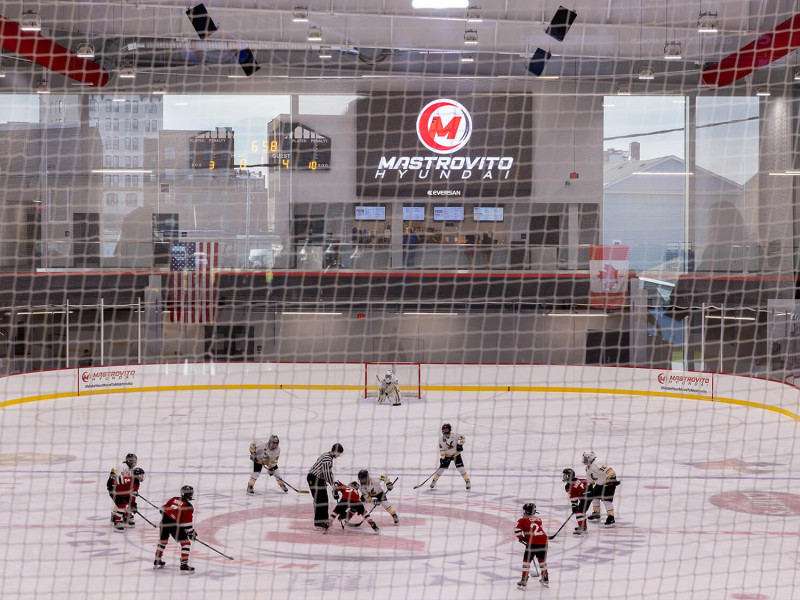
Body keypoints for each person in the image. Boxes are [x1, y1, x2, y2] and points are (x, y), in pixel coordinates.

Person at [154, 485, 197, 572]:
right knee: (186, 543)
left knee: (163, 541)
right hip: (174, 524)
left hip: (164, 521)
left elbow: (162, 509)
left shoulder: (174, 499)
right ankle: (184, 564)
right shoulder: (188, 506)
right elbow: (187, 524)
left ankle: (157, 559)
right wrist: (191, 533)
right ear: (191, 494)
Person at [307, 443, 344, 530]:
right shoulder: (327, 459)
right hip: (314, 479)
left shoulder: (328, 456)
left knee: (324, 500)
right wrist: (332, 485)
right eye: (339, 453)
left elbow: (328, 472)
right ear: (335, 451)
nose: (339, 456)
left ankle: (324, 520)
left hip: (319, 479)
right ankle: (318, 524)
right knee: (319, 501)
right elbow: (326, 473)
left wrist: (331, 481)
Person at [106, 453, 145, 532]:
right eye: (131, 461)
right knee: (122, 503)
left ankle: (126, 515)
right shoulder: (122, 466)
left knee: (129, 502)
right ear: (127, 460)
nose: (132, 463)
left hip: (122, 487)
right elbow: (119, 480)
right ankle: (116, 516)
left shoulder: (131, 471)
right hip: (114, 487)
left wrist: (132, 503)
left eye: (134, 461)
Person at [514, 503, 549, 589]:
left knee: (526, 561)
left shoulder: (522, 520)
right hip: (544, 541)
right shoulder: (539, 519)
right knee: (542, 561)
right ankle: (545, 578)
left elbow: (517, 531)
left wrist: (521, 538)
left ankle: (524, 580)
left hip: (532, 542)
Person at [583, 451, 620, 527]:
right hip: (600, 484)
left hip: (608, 483)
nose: (584, 459)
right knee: (594, 497)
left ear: (591, 458)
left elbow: (611, 471)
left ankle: (611, 518)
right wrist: (589, 487)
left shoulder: (597, 464)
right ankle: (596, 514)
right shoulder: (588, 468)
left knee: (606, 501)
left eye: (586, 458)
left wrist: (612, 479)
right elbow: (591, 480)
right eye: (584, 458)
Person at [430, 423, 470, 490]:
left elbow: (463, 437)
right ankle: (434, 481)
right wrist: (442, 458)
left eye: (446, 429)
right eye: (443, 429)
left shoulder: (455, 435)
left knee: (461, 469)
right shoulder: (441, 439)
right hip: (447, 456)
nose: (445, 430)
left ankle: (467, 481)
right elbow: (442, 450)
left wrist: (460, 444)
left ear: (449, 429)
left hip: (456, 455)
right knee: (441, 469)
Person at [562, 468, 590, 536]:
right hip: (586, 497)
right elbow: (587, 481)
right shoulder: (576, 480)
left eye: (565, 475)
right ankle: (583, 527)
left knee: (579, 512)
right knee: (581, 511)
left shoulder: (569, 486)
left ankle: (582, 528)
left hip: (587, 497)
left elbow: (573, 496)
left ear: (569, 476)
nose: (563, 476)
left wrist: (574, 505)